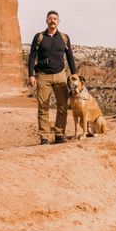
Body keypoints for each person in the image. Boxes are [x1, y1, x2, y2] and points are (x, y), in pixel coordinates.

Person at [27, 10, 77, 145]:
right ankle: (44, 136)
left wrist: (74, 73)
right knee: (43, 107)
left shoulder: (64, 37)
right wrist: (31, 75)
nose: (52, 20)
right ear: (46, 21)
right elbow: (32, 56)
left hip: (61, 75)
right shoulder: (39, 37)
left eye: (55, 18)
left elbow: (70, 56)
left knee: (62, 106)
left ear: (58, 21)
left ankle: (59, 134)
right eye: (50, 18)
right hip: (43, 76)